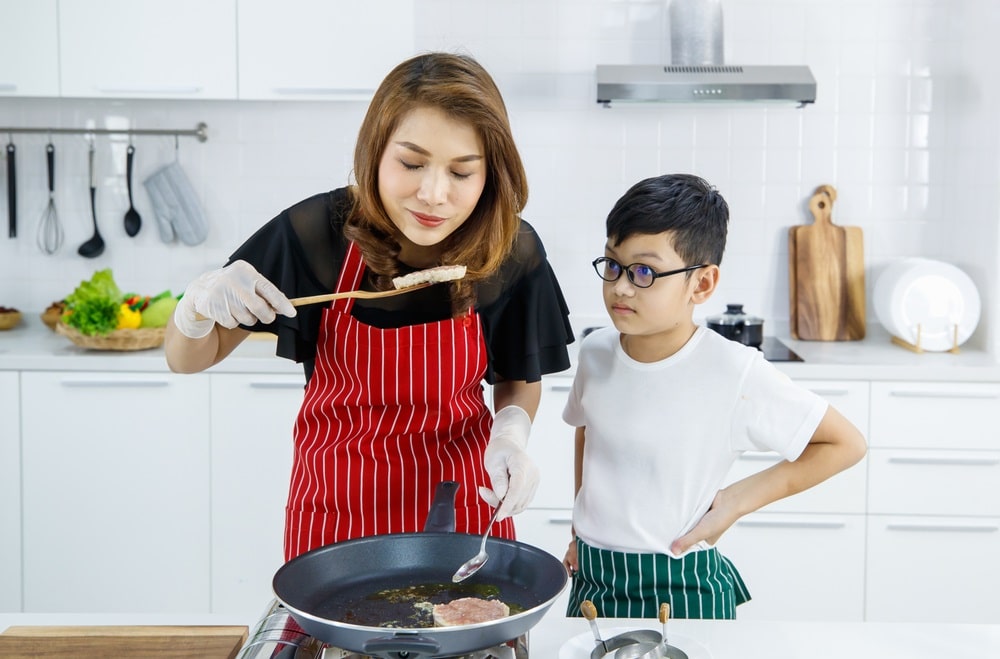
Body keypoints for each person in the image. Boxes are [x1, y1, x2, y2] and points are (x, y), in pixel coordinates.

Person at [164, 52, 574, 561]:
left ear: (490, 173)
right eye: (410, 163)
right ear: (375, 152)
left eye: (462, 173)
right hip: (334, 514)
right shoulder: (318, 232)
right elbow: (186, 359)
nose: (433, 195)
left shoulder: (508, 248)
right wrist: (197, 306)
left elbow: (520, 373)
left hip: (461, 512)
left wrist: (512, 434)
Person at [562, 174, 866, 619]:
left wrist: (734, 503)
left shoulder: (733, 371)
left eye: (644, 271)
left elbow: (845, 444)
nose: (621, 287)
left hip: (684, 583)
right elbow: (589, 436)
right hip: (594, 579)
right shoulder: (595, 353)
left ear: (701, 285)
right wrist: (578, 531)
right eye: (612, 265)